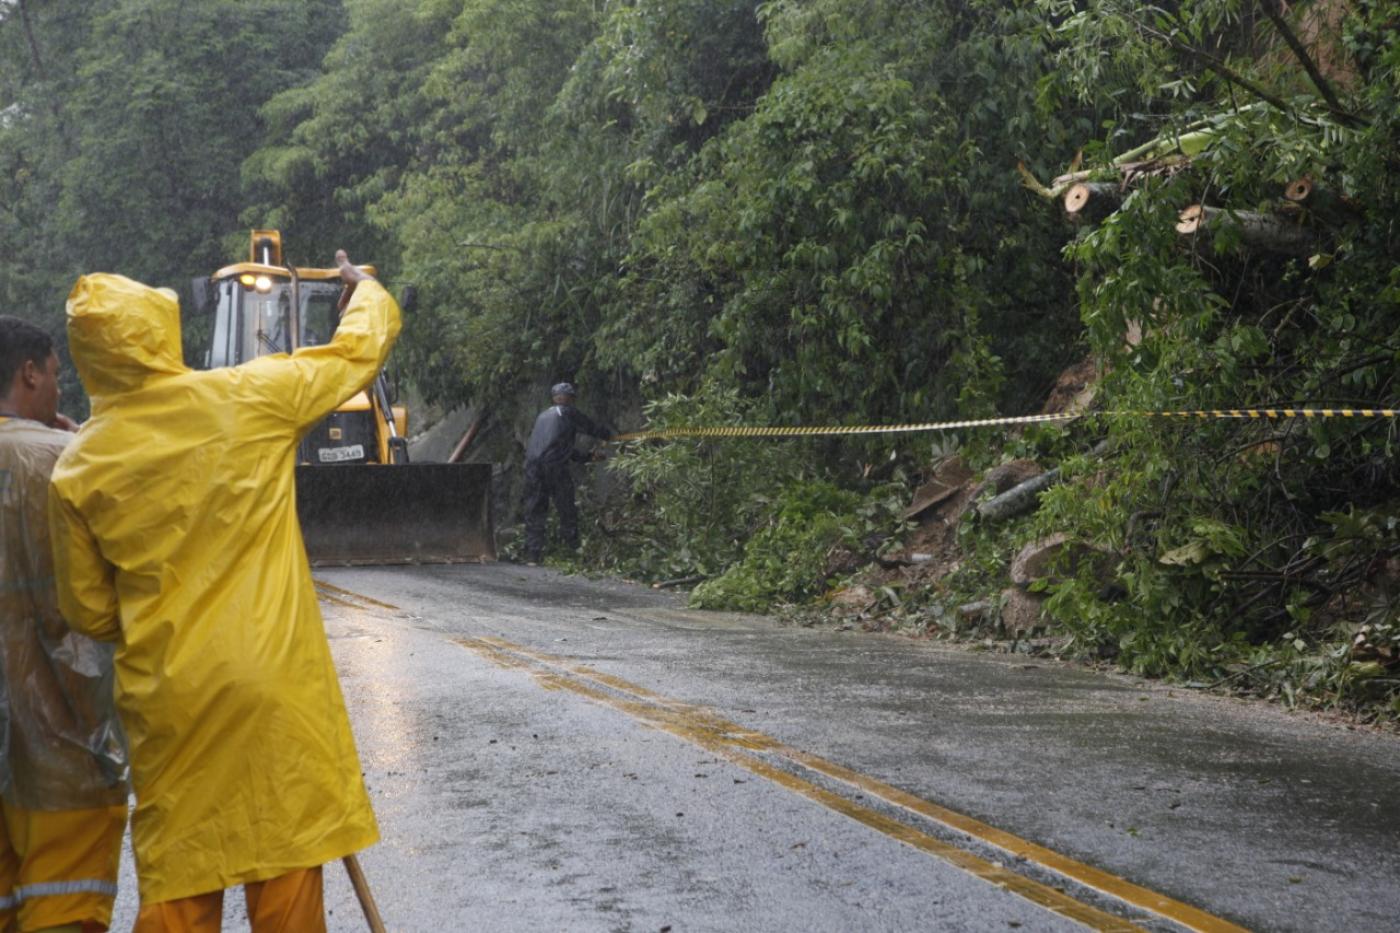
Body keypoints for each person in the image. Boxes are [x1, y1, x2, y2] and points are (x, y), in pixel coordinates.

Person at [47, 253, 397, 932]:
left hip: (171, 700)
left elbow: (88, 611)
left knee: (181, 878)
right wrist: (366, 288)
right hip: (272, 688)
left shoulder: (79, 466)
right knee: (287, 863)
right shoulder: (247, 398)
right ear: (163, 333)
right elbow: (356, 352)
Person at [0, 316, 128, 933]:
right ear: (29, 372)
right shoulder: (63, 461)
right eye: (54, 375)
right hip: (62, 750)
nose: (58, 390)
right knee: (63, 906)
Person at [521, 382, 613, 564]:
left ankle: (533, 555)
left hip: (532, 466)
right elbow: (590, 427)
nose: (571, 401)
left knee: (535, 509)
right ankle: (571, 551)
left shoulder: (543, 416)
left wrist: (587, 456)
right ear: (567, 398)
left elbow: (558, 447)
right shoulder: (567, 412)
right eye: (571, 398)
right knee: (566, 507)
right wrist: (607, 435)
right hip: (554, 467)